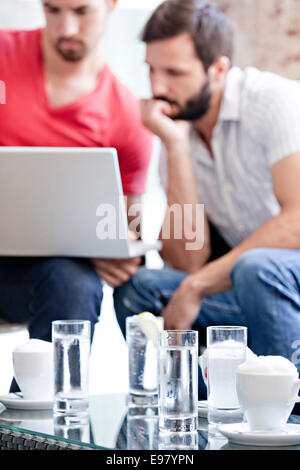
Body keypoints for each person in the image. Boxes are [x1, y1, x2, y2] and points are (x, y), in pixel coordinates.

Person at [114, 0, 300, 396]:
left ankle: (283, 414)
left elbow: (297, 222)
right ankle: (192, 417)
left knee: (256, 267)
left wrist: (197, 286)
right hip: (252, 291)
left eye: (174, 73)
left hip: (282, 281)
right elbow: (185, 261)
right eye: (151, 69)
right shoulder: (177, 128)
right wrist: (177, 148)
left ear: (218, 69)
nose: (158, 88)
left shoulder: (274, 102)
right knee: (140, 289)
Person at [0, 0, 153, 343]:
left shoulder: (127, 117)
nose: (66, 29)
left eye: (82, 11)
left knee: (74, 286)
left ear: (111, 5)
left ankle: (42, 397)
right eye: (53, 10)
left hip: (32, 276)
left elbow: (127, 232)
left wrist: (112, 246)